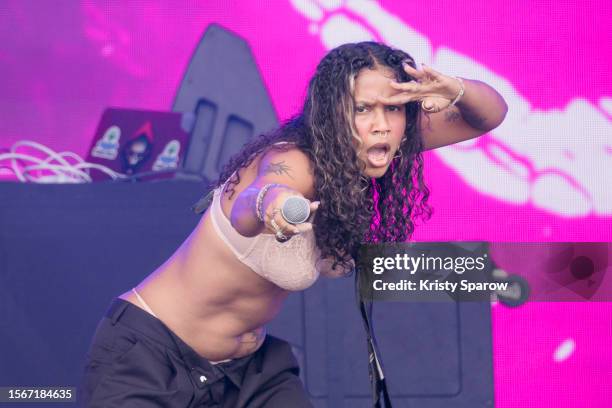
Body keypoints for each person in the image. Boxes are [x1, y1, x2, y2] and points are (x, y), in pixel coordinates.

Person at [78, 41, 507, 407]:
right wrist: (276, 207)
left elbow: (488, 115)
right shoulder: (294, 160)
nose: (381, 124)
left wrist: (456, 88)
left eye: (394, 108)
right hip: (151, 357)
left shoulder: (375, 142)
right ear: (334, 115)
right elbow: (259, 196)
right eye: (362, 109)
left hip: (250, 372)